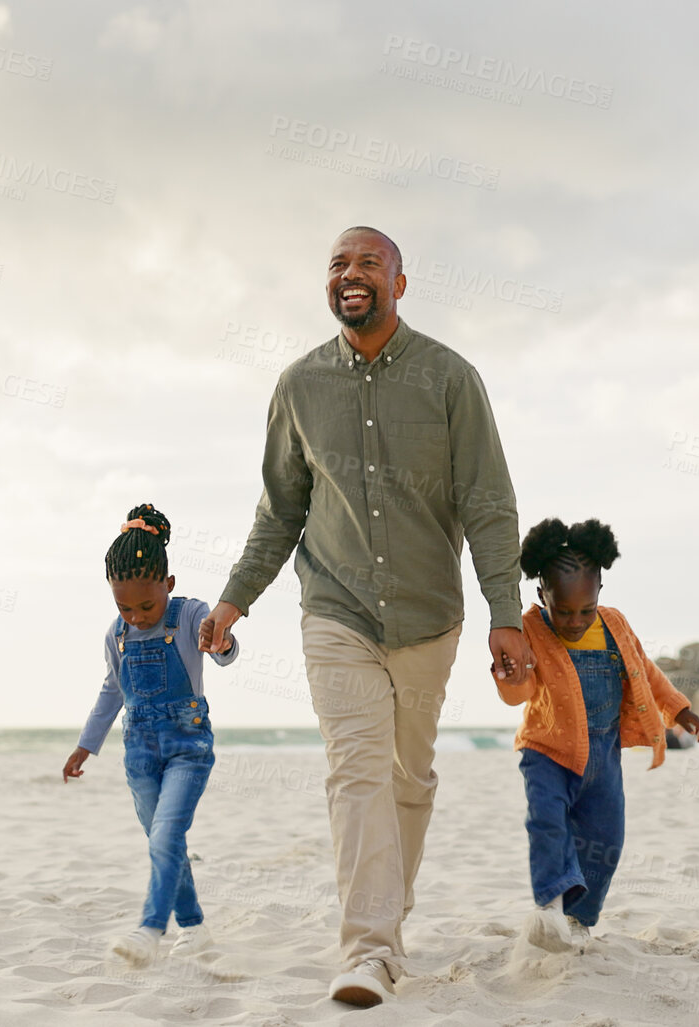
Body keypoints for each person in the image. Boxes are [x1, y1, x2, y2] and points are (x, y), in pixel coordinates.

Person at [198, 226, 534, 1008]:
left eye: (369, 263)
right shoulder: (298, 384)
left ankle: (389, 914)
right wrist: (234, 596)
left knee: (406, 778)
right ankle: (369, 949)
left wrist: (504, 612)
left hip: (428, 614)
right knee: (355, 771)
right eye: (338, 264)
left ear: (399, 283)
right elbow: (280, 510)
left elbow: (487, 502)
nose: (352, 275)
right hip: (336, 607)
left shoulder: (451, 378)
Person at [496, 517, 699, 952]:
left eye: (584, 610)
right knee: (547, 823)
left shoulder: (614, 625)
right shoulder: (529, 629)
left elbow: (645, 672)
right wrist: (510, 673)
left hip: (603, 752)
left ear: (599, 595)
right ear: (541, 596)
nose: (574, 621)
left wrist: (677, 707)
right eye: (563, 610)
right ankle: (550, 906)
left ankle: (579, 920)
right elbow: (521, 694)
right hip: (547, 751)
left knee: (606, 838)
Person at [62, 504, 240, 966]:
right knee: (165, 842)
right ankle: (196, 928)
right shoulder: (116, 634)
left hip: (188, 750)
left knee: (165, 837)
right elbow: (112, 690)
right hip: (138, 755)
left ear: (169, 584)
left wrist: (220, 640)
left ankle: (150, 928)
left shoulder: (188, 617)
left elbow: (222, 649)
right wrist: (87, 744)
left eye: (146, 605)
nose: (137, 616)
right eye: (124, 606)